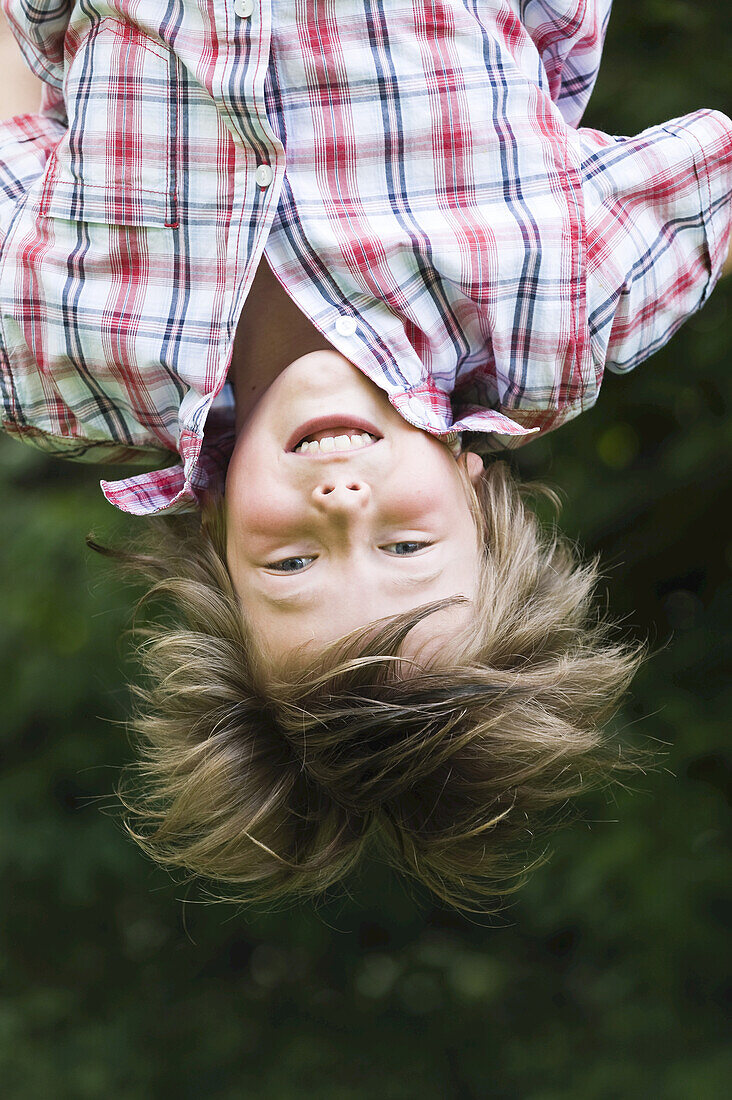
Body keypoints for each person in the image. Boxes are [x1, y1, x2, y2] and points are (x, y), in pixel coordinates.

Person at [1, 2, 730, 912]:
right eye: (406, 549)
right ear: (476, 498)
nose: (344, 504)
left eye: (296, 563)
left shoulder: (59, 367)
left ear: (219, 543)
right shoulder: (556, 318)